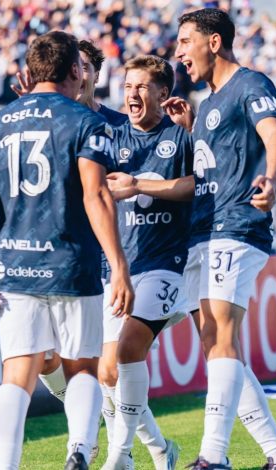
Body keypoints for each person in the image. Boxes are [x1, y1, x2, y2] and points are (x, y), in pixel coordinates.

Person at [108, 8, 276, 470]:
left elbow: (274, 134)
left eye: (185, 41)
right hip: (203, 233)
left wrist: (272, 178)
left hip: (235, 225)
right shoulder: (209, 103)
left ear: (213, 42)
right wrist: (192, 129)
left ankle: (213, 456)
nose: (178, 52)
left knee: (220, 334)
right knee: (218, 344)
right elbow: (214, 163)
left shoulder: (250, 84)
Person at [0, 31, 134, 470]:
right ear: (76, 70)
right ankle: (79, 450)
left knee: (16, 377)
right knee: (82, 367)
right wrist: (119, 267)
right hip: (71, 263)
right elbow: (96, 195)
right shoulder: (85, 121)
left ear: (31, 71)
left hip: (13, 267)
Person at [99, 55, 190, 470]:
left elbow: (196, 186)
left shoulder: (179, 136)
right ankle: (160, 449)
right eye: (127, 86)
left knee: (130, 346)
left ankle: (119, 457)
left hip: (167, 262)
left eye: (141, 87)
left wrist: (137, 185)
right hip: (121, 266)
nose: (132, 94)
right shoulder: (112, 137)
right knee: (108, 373)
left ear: (162, 93)